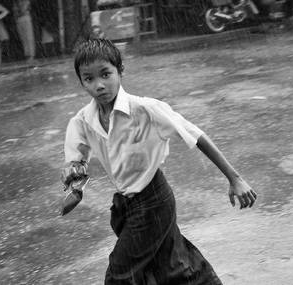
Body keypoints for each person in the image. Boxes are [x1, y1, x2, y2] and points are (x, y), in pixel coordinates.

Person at [62, 38, 257, 285]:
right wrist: (74, 186)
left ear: (120, 71)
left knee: (120, 274)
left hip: (154, 200)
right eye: (89, 79)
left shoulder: (146, 110)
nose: (99, 85)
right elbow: (76, 158)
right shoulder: (83, 120)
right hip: (126, 204)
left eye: (105, 74)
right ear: (82, 83)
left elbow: (196, 136)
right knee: (171, 267)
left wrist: (235, 178)